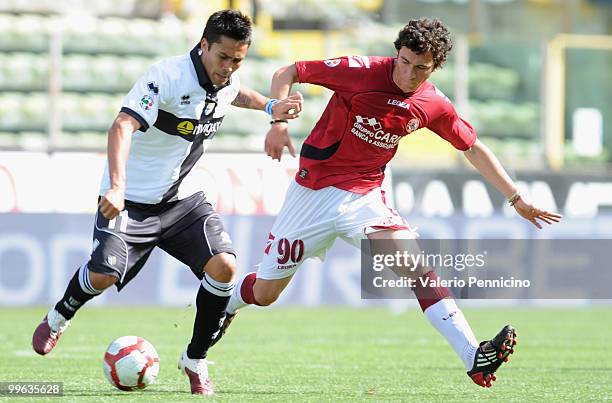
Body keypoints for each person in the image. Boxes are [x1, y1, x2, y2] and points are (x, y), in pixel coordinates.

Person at [211, 17, 562, 388]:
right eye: (405, 61)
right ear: (397, 53)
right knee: (265, 294)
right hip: (312, 194)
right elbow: (289, 71)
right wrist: (278, 124)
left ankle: (474, 357)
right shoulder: (360, 71)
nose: (409, 73)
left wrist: (516, 198)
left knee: (417, 267)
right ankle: (229, 303)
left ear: (435, 67)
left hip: (365, 196)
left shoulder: (433, 104)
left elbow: (472, 147)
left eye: (421, 68)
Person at [31, 9, 302, 396]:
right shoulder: (166, 76)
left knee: (225, 266)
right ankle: (59, 315)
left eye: (237, 60)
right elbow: (122, 125)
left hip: (181, 200)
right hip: (130, 201)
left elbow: (233, 92)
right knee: (104, 274)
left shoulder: (225, 78)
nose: (228, 67)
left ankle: (195, 359)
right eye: (223, 57)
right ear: (203, 45)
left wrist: (269, 108)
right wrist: (117, 187)